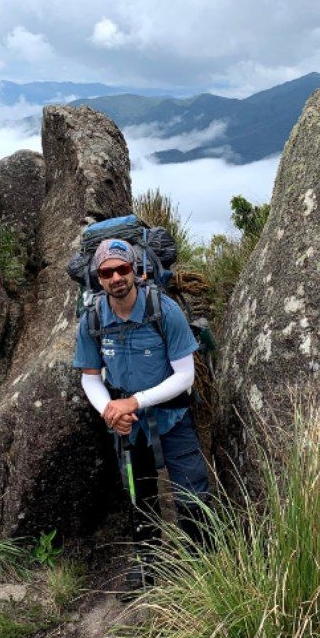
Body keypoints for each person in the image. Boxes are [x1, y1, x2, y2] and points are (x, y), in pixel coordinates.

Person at [73, 237, 210, 593]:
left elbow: (185, 376)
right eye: (107, 272)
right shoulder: (91, 320)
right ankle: (148, 559)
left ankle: (201, 563)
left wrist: (130, 403)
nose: (116, 277)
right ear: (98, 279)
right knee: (139, 493)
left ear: (135, 270)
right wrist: (109, 410)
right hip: (127, 427)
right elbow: (90, 378)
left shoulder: (164, 311)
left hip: (173, 417)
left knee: (191, 493)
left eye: (122, 269)